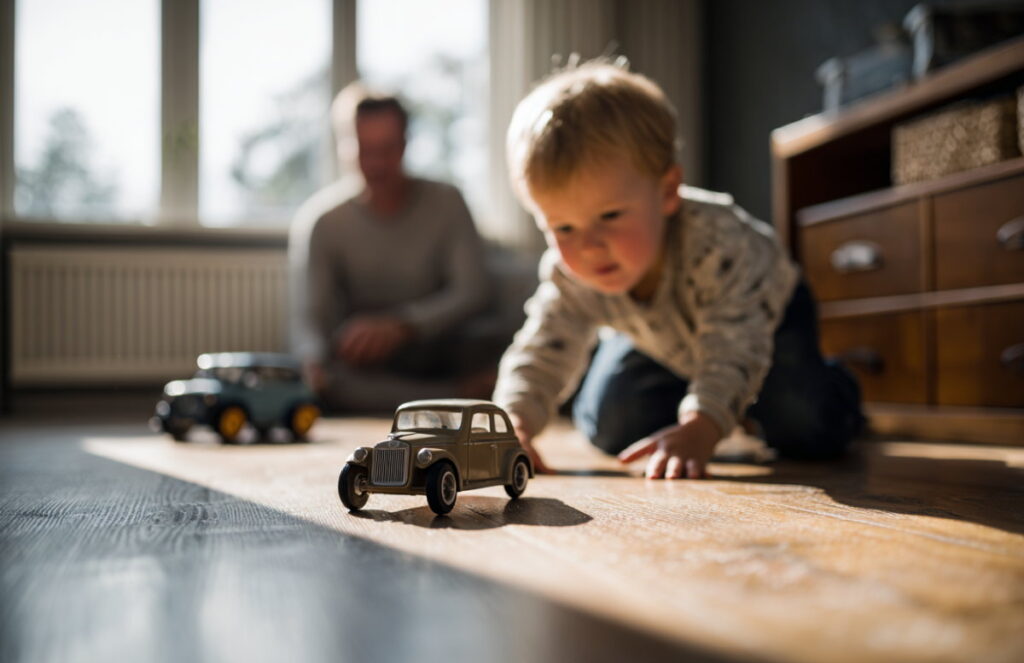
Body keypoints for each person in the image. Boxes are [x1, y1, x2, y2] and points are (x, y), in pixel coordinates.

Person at [492, 60, 864, 478]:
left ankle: (834, 383)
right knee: (612, 427)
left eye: (610, 215)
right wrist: (513, 421)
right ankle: (713, 399)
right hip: (661, 339)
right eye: (562, 227)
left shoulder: (718, 243)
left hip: (763, 321)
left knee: (805, 424)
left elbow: (733, 343)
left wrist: (702, 426)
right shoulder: (570, 272)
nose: (590, 247)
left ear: (668, 192)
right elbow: (542, 349)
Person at [289, 83, 493, 412]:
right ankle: (457, 398)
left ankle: (458, 394)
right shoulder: (322, 222)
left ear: (406, 143)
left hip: (441, 351)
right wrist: (311, 361)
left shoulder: (447, 202)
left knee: (488, 342)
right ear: (343, 146)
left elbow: (473, 292)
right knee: (331, 378)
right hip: (366, 369)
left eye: (388, 149)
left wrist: (402, 326)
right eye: (364, 150)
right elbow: (308, 319)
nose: (377, 163)